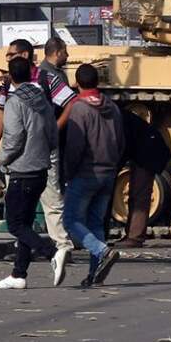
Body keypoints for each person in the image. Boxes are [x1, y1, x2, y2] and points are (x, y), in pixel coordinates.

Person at [0, 39, 75, 257]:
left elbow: (71, 102)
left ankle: (62, 247)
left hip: (40, 151)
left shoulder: (46, 78)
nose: (7, 58)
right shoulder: (8, 83)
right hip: (17, 155)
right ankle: (23, 252)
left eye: (11, 55)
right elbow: (1, 112)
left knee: (52, 200)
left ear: (25, 55)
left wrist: (53, 130)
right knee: (20, 208)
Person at [63, 63, 125, 286]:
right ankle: (94, 273)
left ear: (77, 83)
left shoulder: (79, 108)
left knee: (71, 220)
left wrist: (68, 172)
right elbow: (120, 141)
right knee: (96, 222)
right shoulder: (111, 106)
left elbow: (74, 146)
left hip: (85, 171)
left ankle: (102, 251)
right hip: (108, 171)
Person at [115, 110, 171, 248]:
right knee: (138, 194)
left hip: (148, 149)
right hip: (144, 145)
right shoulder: (115, 116)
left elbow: (119, 151)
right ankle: (133, 235)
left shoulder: (113, 122)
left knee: (139, 194)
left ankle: (135, 237)